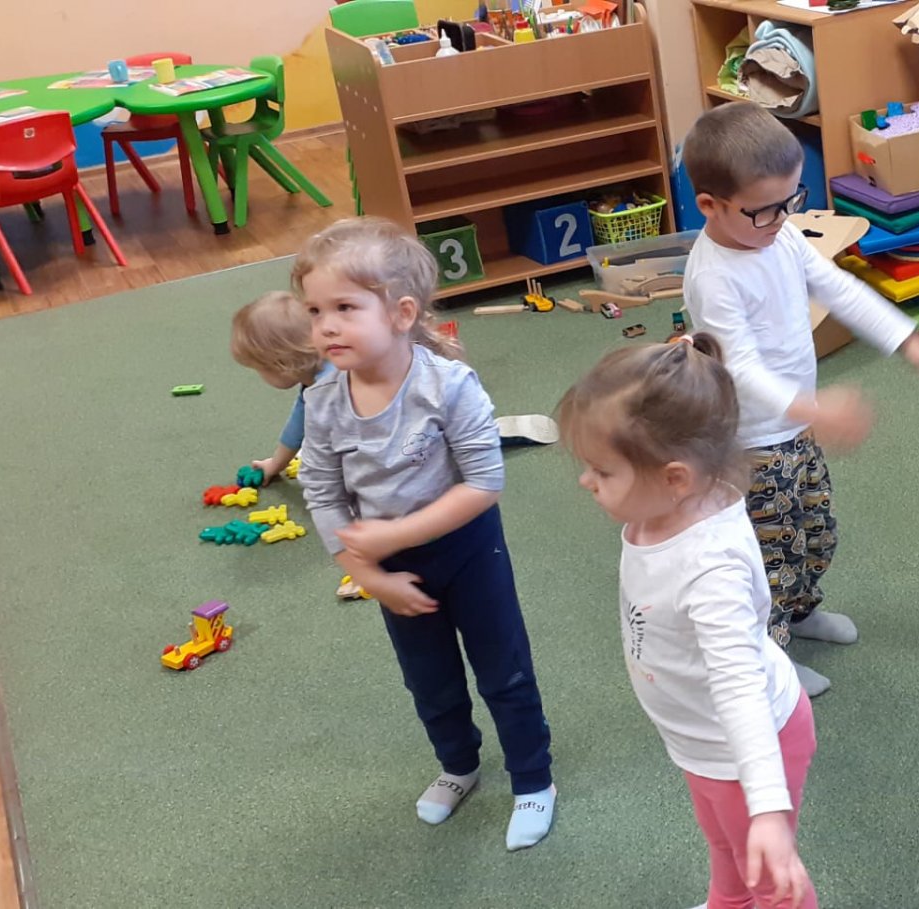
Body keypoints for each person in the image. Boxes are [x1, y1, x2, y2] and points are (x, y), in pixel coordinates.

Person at [294, 218, 556, 850]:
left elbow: (484, 482)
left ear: (401, 313)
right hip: (392, 568)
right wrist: (368, 574)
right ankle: (458, 766)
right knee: (429, 680)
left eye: (345, 308)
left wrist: (393, 536)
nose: (326, 326)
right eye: (315, 311)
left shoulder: (448, 386)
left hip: (467, 547)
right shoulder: (323, 403)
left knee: (503, 670)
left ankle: (533, 779)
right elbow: (322, 492)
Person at [681, 101, 919, 696]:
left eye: (791, 200)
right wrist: (816, 409)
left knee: (815, 530)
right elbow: (742, 367)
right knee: (771, 559)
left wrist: (908, 340)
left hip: (797, 428)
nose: (782, 218)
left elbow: (839, 288)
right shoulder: (713, 275)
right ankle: (771, 661)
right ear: (710, 205)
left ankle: (802, 615)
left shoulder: (778, 236)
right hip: (752, 444)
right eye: (765, 209)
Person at [559, 335, 818, 909]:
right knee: (725, 850)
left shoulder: (710, 570)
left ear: (675, 478)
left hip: (745, 752)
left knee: (773, 883)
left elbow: (738, 685)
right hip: (699, 743)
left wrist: (767, 809)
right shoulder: (664, 509)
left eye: (601, 470)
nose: (586, 481)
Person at [229, 290, 337, 484]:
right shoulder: (313, 384)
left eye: (260, 368)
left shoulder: (332, 387)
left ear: (283, 365)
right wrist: (276, 464)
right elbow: (297, 426)